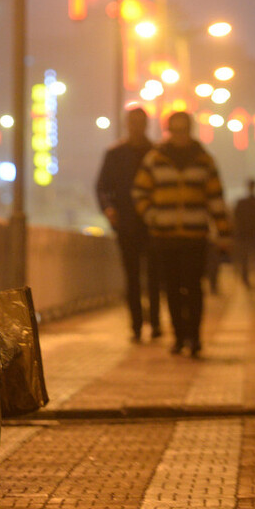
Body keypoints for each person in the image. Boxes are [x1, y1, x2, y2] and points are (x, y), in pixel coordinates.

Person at [131, 111, 230, 358]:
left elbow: (216, 198)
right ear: (168, 131)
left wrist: (225, 232)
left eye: (183, 129)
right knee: (173, 288)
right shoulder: (155, 159)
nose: (180, 135)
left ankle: (194, 337)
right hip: (164, 237)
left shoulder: (204, 161)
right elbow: (139, 193)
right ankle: (178, 337)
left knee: (194, 287)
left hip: (196, 236)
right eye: (175, 130)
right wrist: (153, 216)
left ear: (191, 130)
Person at [95, 106, 160, 342]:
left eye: (140, 122)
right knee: (132, 276)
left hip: (153, 223)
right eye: (133, 122)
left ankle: (156, 322)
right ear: (127, 124)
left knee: (154, 275)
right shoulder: (115, 154)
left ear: (146, 125)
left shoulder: (156, 152)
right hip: (127, 223)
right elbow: (102, 186)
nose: (136, 126)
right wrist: (109, 209)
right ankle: (136, 325)